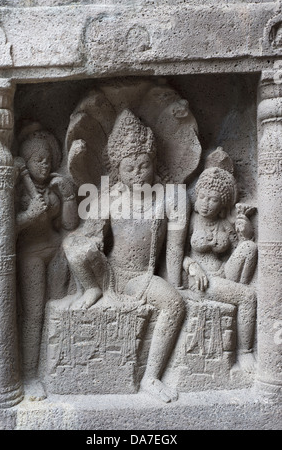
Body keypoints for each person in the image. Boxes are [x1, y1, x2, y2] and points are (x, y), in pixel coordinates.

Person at [62, 109, 189, 403]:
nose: (138, 174)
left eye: (144, 165)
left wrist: (180, 276)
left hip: (140, 278)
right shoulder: (109, 195)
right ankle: (94, 290)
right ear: (118, 169)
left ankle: (151, 377)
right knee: (73, 246)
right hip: (110, 272)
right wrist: (90, 248)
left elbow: (174, 248)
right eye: (129, 168)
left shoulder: (172, 196)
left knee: (174, 303)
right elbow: (87, 234)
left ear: (154, 162)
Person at [15, 123, 78, 399]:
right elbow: (2, 230)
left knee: (57, 308)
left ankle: (55, 365)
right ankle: (29, 374)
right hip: (30, 254)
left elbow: (69, 224)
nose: (44, 165)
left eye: (48, 160)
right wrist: (28, 215)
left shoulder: (53, 186)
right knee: (34, 315)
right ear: (26, 163)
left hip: (56, 250)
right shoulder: (18, 191)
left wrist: (67, 196)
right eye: (38, 160)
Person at [183, 149, 257, 373]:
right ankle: (245, 352)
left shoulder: (225, 223)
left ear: (222, 203)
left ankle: (236, 292)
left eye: (213, 199)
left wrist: (245, 230)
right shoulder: (192, 220)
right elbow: (177, 253)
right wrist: (192, 267)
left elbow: (239, 249)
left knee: (249, 247)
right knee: (248, 297)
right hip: (202, 283)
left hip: (224, 276)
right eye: (203, 197)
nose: (206, 203)